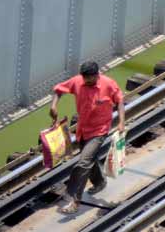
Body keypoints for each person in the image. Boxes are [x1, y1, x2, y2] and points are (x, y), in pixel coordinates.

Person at [50, 61, 125, 214]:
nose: (87, 82)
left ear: (97, 74)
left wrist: (122, 122)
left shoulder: (108, 84)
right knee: (89, 160)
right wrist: (53, 106)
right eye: (85, 79)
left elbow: (120, 100)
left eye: (90, 79)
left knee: (83, 162)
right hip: (82, 129)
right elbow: (59, 90)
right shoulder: (77, 81)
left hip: (100, 130)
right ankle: (100, 182)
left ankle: (74, 200)